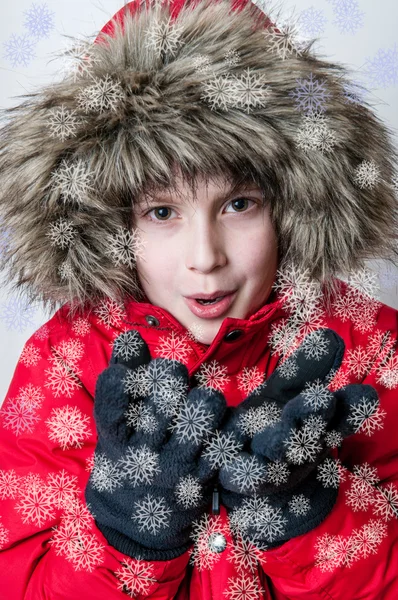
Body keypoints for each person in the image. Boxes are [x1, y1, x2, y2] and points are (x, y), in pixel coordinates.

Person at [0, 0, 398, 597]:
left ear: (294, 206)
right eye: (162, 212)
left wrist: (314, 521)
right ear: (110, 224)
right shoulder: (67, 358)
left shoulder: (372, 349)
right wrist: (124, 537)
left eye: (239, 204)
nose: (205, 256)